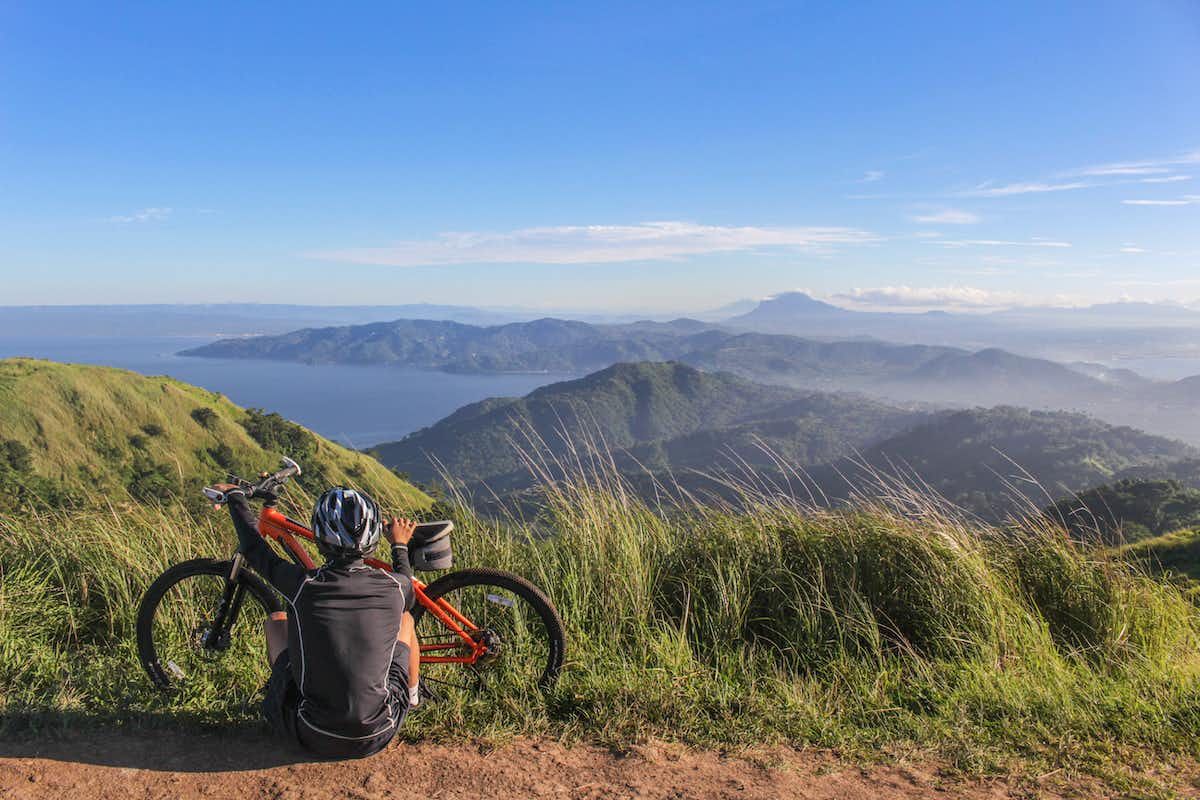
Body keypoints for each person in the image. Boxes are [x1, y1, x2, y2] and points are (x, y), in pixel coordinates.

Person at [211, 481, 421, 759]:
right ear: (372, 540)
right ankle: (413, 698)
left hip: (311, 733)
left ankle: (287, 696)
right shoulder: (396, 586)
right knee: (405, 620)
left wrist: (236, 497)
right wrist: (399, 544)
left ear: (320, 539)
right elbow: (406, 580)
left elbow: (253, 546)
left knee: (276, 621)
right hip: (378, 733)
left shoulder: (302, 585)